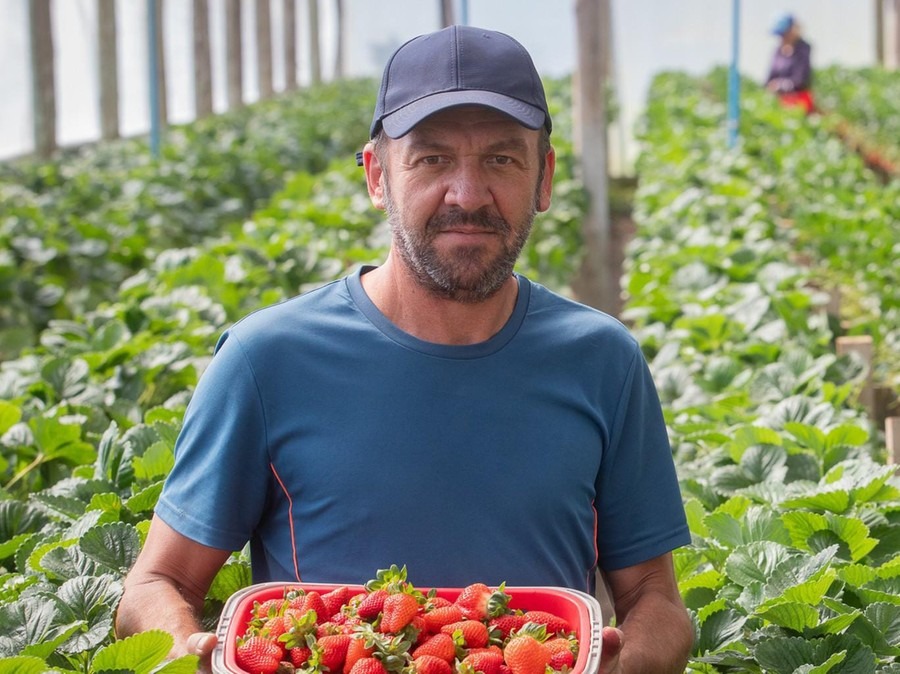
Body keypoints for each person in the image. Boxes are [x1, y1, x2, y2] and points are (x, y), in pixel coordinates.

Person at [115, 25, 693, 674]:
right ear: (376, 176)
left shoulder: (604, 363)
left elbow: (655, 600)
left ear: (545, 178)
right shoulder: (264, 363)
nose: (467, 195)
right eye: (431, 159)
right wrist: (188, 648)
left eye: (501, 159)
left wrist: (627, 665)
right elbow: (155, 584)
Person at [766, 14, 815, 114]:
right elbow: (769, 79)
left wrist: (779, 85)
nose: (782, 38)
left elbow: (800, 80)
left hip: (800, 101)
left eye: (784, 34)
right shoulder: (778, 51)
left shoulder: (803, 49)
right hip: (779, 100)